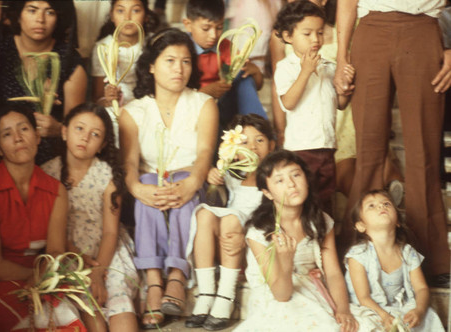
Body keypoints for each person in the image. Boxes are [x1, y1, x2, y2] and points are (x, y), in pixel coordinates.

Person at [334, 0, 451, 285]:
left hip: (425, 29)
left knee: (424, 152)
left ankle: (431, 258)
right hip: (372, 29)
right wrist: (341, 58)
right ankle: (358, 251)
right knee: (369, 149)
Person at [119, 28, 218, 328]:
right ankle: (153, 281)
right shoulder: (133, 112)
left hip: (195, 180)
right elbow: (130, 164)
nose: (179, 69)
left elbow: (204, 155)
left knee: (182, 183)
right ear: (151, 65)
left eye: (186, 61)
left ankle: (177, 274)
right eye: (170, 60)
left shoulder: (204, 104)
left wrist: (193, 181)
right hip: (151, 183)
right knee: (148, 184)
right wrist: (136, 188)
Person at [236, 149, 379, 331]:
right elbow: (282, 295)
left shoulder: (320, 221)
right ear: (268, 193)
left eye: (296, 175)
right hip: (277, 294)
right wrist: (286, 261)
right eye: (280, 180)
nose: (291, 185)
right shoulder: (259, 232)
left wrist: (343, 309)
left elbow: (333, 272)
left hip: (312, 288)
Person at [0, 104, 67, 331]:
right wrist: (35, 274)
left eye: (24, 129)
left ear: (38, 136)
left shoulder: (56, 190)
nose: (18, 138)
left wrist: (43, 275)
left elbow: (55, 251)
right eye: (7, 134)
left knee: (68, 320)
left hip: (42, 276)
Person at [42, 103, 139, 332]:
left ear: (102, 145)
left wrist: (99, 271)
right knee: (88, 307)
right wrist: (73, 253)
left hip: (107, 252)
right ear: (64, 131)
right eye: (79, 129)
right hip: (68, 255)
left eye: (95, 134)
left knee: (119, 303)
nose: (85, 138)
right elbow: (46, 227)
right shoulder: (47, 173)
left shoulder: (107, 174)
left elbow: (110, 232)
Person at [185, 114, 276, 330]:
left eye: (260, 140)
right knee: (204, 214)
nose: (252, 147)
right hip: (227, 241)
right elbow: (212, 185)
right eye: (244, 142)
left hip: (251, 244)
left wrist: (246, 237)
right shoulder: (233, 173)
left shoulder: (274, 176)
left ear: (272, 145)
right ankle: (206, 292)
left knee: (231, 218)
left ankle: (226, 295)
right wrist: (213, 175)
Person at [273, 0, 354, 216]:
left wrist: (346, 89)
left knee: (325, 204)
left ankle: (325, 245)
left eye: (319, 33)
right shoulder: (286, 68)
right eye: (307, 34)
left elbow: (341, 105)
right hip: (301, 150)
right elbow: (288, 102)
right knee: (303, 205)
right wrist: (305, 71)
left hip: (327, 147)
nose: (316, 39)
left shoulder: (328, 67)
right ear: (288, 36)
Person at [0, 0, 87, 164]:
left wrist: (58, 129)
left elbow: (77, 127)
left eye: (49, 12)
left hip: (50, 160)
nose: (40, 19)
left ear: (59, 17)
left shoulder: (68, 61)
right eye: (32, 10)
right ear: (18, 14)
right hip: (2, 154)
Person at [345, 190, 445, 331]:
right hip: (370, 310)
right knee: (366, 326)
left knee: (427, 316)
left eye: (386, 203)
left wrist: (419, 311)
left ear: (398, 221)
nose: (381, 207)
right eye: (371, 206)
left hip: (399, 308)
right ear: (361, 226)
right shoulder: (358, 255)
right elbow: (364, 298)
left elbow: (421, 288)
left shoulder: (407, 252)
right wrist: (384, 316)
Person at [183, 0, 268, 131]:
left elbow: (257, 85)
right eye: (206, 28)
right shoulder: (180, 48)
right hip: (192, 108)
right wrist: (202, 93)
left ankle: (258, 131)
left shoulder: (224, 46)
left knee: (243, 76)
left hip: (222, 105)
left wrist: (255, 71)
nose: (213, 35)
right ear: (188, 24)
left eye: (219, 27)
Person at [92, 0, 158, 108]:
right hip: (117, 108)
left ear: (146, 15)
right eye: (120, 11)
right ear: (112, 15)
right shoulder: (103, 48)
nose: (127, 18)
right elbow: (97, 97)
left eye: (135, 10)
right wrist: (109, 99)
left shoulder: (153, 43)